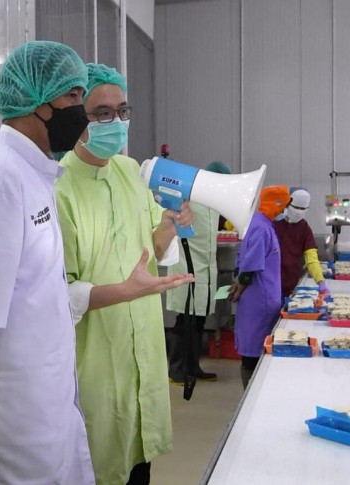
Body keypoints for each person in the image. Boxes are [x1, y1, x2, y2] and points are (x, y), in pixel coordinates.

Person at [55, 63, 194, 485]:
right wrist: (126, 291)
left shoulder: (131, 172)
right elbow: (61, 294)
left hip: (143, 353)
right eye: (101, 113)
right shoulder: (60, 186)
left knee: (139, 465)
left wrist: (170, 222)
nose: (115, 122)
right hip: (96, 358)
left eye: (122, 110)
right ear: (78, 114)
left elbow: (149, 248)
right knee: (99, 462)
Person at [0, 41, 95, 484]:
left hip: (46, 399)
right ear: (36, 102)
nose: (83, 111)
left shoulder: (36, 174)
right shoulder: (0, 178)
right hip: (11, 414)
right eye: (73, 97)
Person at [166, 160, 233, 385]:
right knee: (184, 320)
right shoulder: (188, 196)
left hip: (206, 267)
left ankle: (193, 367)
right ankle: (176, 369)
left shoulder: (214, 202)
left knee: (198, 320)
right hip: (186, 264)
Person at [229, 185, 290, 388]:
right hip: (259, 300)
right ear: (277, 204)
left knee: (253, 347)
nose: (286, 212)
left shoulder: (259, 223)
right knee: (254, 351)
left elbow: (243, 260)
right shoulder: (262, 228)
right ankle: (251, 393)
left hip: (259, 298)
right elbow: (250, 266)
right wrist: (240, 285)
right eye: (285, 206)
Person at [273, 188, 329, 297]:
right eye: (296, 207)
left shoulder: (304, 229)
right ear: (288, 204)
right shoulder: (274, 223)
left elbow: (311, 258)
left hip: (291, 282)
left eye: (302, 209)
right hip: (271, 280)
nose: (298, 212)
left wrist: (320, 281)